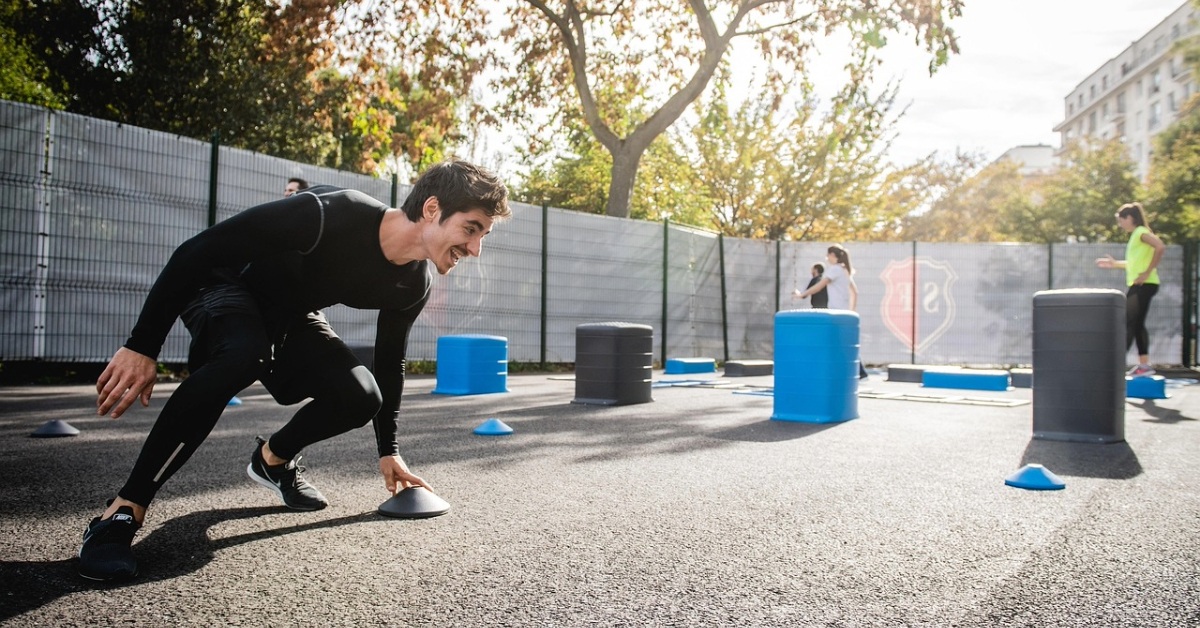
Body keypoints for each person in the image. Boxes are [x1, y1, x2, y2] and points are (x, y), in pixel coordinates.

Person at [78, 161, 510, 582]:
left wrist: (389, 449)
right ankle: (121, 511)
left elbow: (389, 362)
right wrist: (142, 346)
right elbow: (196, 251)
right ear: (432, 209)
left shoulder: (413, 284)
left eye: (482, 236)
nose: (475, 249)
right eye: (471, 229)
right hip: (225, 284)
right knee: (242, 355)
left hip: (289, 312)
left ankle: (272, 461)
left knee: (362, 394)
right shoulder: (328, 214)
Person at [1096, 201, 1165, 377]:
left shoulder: (1141, 232)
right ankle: (1143, 365)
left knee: (1128, 322)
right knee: (1134, 322)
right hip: (1141, 284)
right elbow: (1134, 264)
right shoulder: (1136, 235)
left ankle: (1120, 363)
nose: (1120, 224)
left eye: (1121, 220)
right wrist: (1115, 264)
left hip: (1144, 284)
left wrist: (1147, 272)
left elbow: (1160, 246)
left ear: (1130, 218)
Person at [793, 244, 868, 379]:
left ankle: (859, 372)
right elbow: (854, 292)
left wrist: (801, 295)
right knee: (844, 342)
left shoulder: (834, 270)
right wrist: (851, 310)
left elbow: (819, 286)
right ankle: (858, 372)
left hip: (835, 313)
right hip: (844, 312)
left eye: (828, 256)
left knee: (832, 341)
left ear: (833, 256)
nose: (827, 258)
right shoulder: (845, 271)